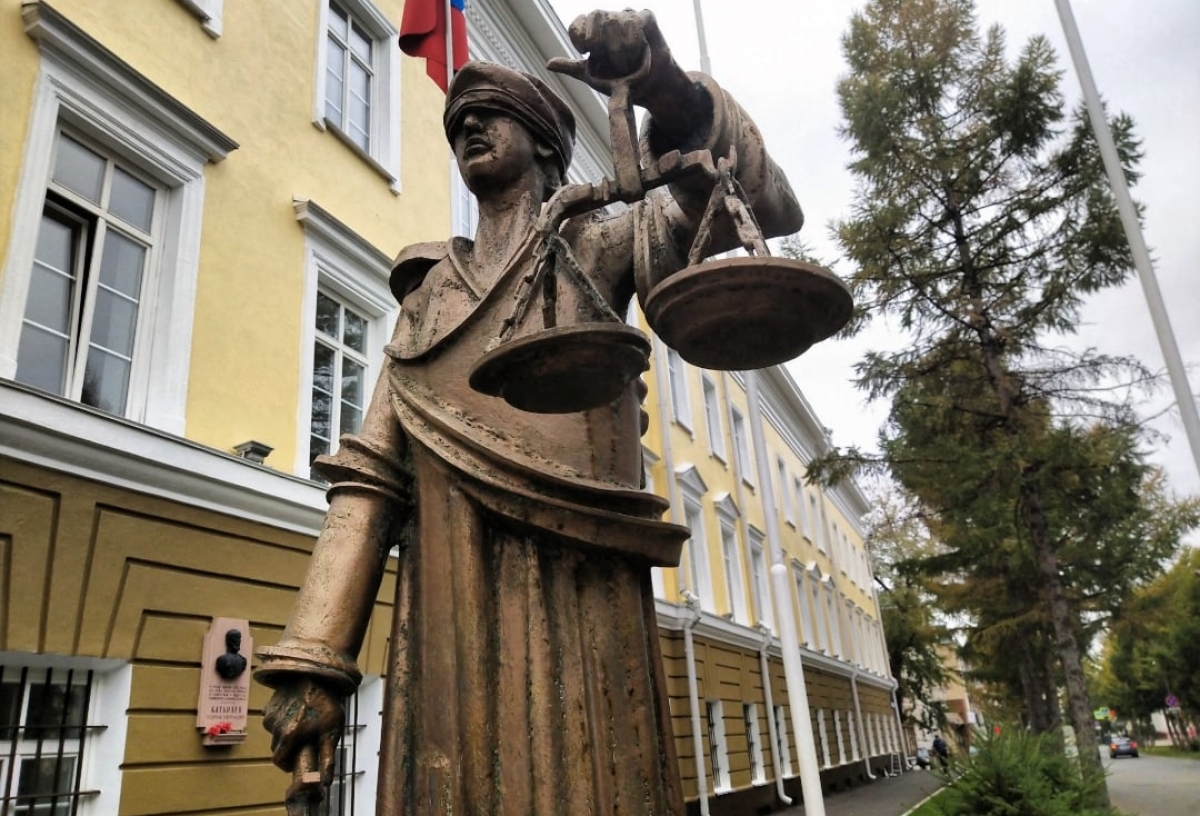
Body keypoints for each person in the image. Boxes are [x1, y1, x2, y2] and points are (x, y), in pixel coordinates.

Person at [255, 10, 802, 815]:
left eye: (491, 114)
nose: (469, 127)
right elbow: (371, 475)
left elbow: (767, 205)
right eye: (458, 124)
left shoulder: (600, 248)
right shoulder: (428, 296)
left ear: (545, 144)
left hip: (583, 586)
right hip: (444, 602)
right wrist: (316, 660)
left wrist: (662, 86)